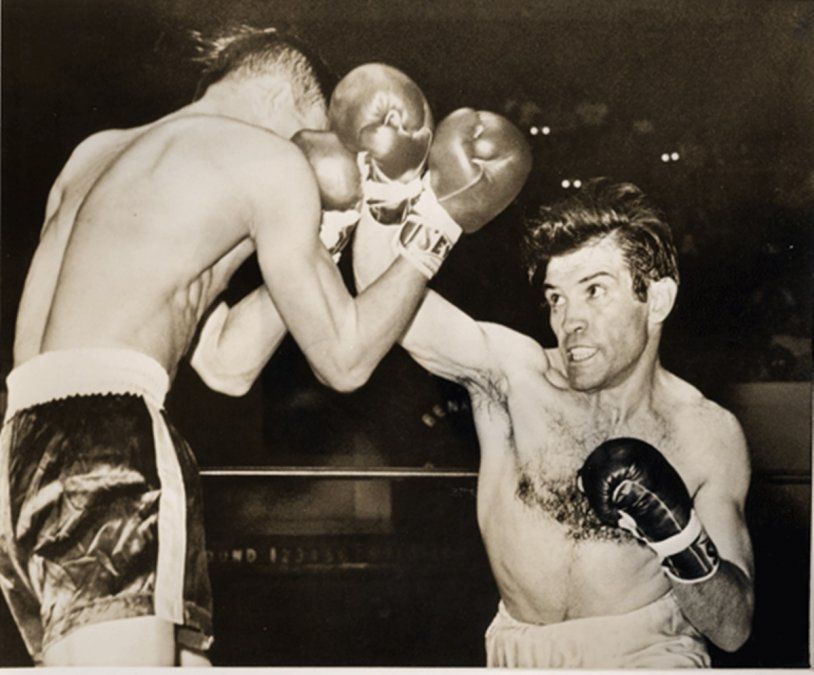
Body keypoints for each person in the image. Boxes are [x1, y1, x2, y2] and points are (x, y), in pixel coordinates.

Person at [0, 26, 471, 667]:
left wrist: (327, 236)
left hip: (27, 445)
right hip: (112, 445)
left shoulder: (99, 153)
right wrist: (435, 229)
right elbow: (346, 359)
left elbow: (226, 363)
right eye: (320, 128)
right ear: (289, 101)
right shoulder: (266, 159)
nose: (321, 155)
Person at [353, 178, 754, 668]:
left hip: (650, 652)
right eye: (557, 298)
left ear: (657, 299)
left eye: (594, 291)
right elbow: (384, 302)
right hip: (520, 653)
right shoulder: (512, 374)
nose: (570, 321)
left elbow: (732, 628)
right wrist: (390, 186)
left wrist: (677, 535)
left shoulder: (706, 432)